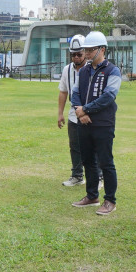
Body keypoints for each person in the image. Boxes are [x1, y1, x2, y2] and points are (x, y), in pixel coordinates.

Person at [70, 30, 121, 217]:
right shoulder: (83, 71)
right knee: (88, 161)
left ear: (102, 49)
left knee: (106, 162)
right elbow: (75, 92)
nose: (88, 53)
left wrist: (86, 109)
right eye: (87, 50)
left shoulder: (112, 71)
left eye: (91, 50)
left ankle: (110, 200)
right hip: (83, 123)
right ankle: (92, 196)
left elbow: (109, 96)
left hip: (103, 124)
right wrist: (79, 111)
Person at [56, 34, 88, 187]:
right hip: (72, 113)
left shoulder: (91, 68)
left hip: (89, 113)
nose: (76, 57)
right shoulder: (67, 69)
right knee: (74, 145)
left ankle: (99, 176)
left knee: (92, 146)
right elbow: (63, 92)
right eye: (73, 54)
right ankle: (77, 176)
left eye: (79, 54)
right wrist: (60, 113)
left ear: (85, 53)